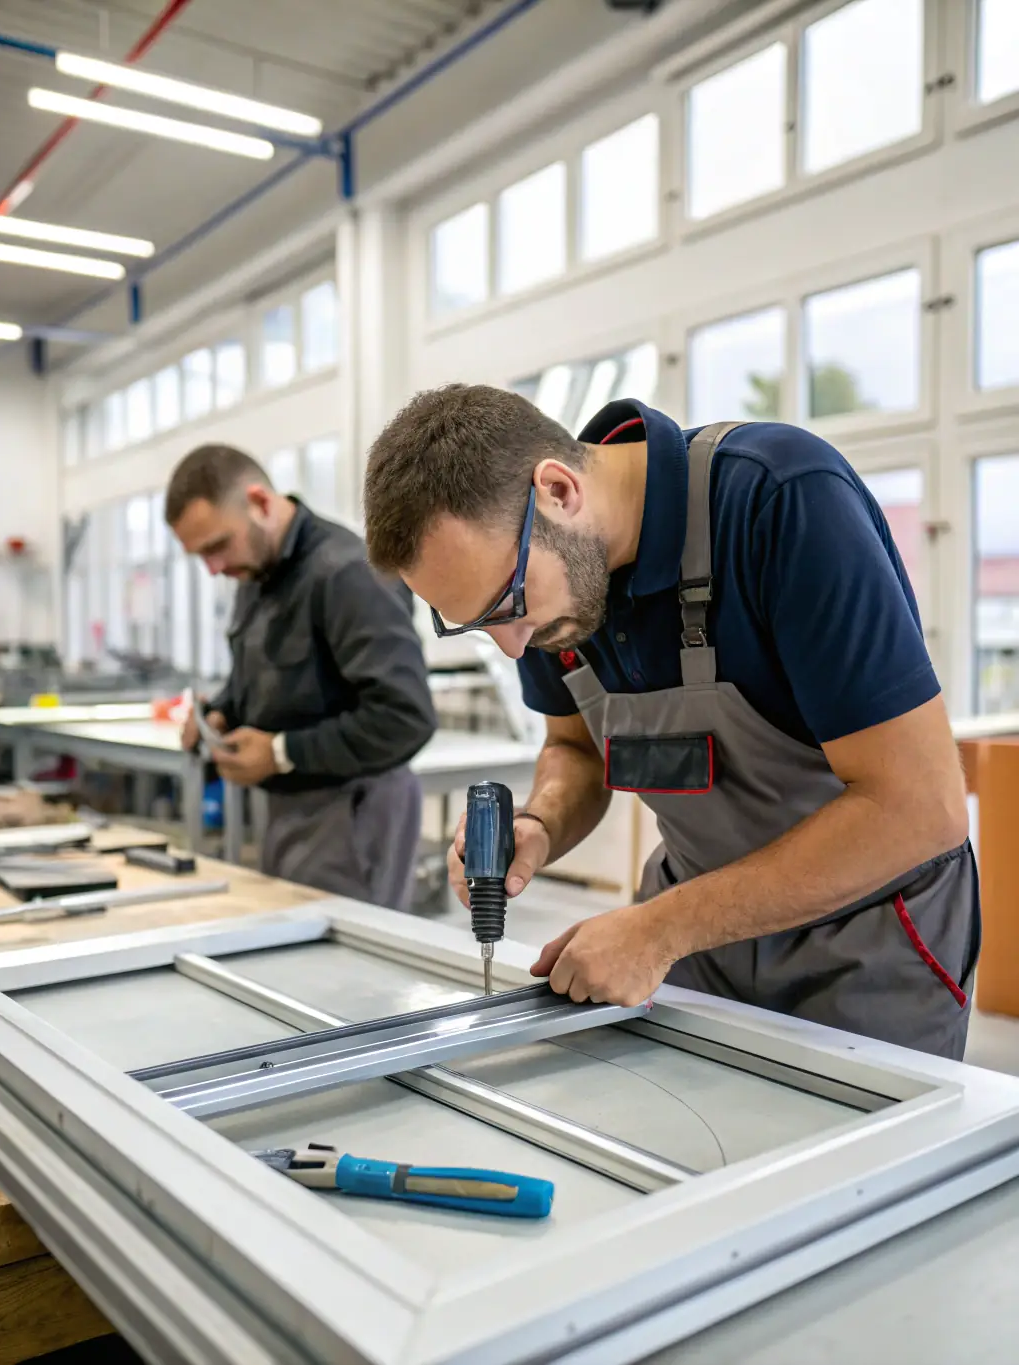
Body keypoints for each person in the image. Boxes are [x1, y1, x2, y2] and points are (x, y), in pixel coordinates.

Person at [362, 385, 979, 1060]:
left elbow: (920, 808)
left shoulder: (781, 499)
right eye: (477, 624)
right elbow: (575, 750)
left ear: (559, 490)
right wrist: (539, 823)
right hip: (697, 933)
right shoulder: (544, 591)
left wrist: (661, 929)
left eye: (506, 605)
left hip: (867, 940)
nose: (513, 646)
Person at [166, 443, 437, 910]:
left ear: (260, 502)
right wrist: (220, 714)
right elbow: (262, 678)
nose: (213, 569)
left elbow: (405, 717)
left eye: (217, 546)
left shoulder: (348, 573)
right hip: (290, 807)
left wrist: (280, 752)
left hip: (353, 812)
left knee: (339, 954)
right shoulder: (257, 573)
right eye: (200, 556)